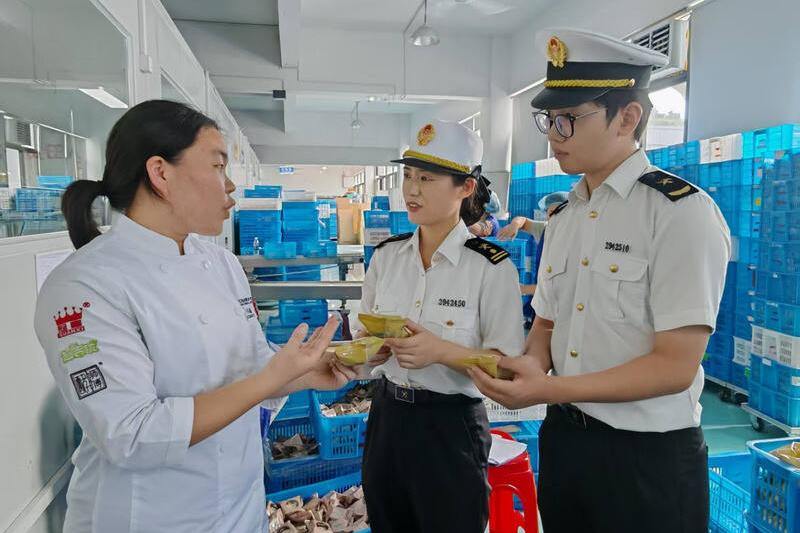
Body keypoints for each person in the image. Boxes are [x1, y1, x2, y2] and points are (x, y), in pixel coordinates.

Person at [33, 100, 355, 533]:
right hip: (151, 518)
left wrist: (307, 372)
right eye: (218, 166)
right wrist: (271, 377)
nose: (231, 186)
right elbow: (131, 435)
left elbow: (250, 369)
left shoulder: (219, 263)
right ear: (161, 173)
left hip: (240, 509)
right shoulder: (84, 286)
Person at [469, 29, 731, 533]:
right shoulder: (566, 217)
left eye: (568, 119)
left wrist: (548, 388)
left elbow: (674, 366)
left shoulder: (679, 214)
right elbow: (546, 323)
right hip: (568, 443)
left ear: (627, 118)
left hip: (646, 459)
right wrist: (526, 365)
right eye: (548, 118)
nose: (552, 133)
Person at [355, 119, 525, 533]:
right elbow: (365, 337)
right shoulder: (387, 258)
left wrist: (441, 352)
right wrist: (369, 350)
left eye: (427, 179)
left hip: (451, 428)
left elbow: (505, 367)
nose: (411, 190)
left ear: (465, 187)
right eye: (408, 176)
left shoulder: (490, 268)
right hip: (387, 417)